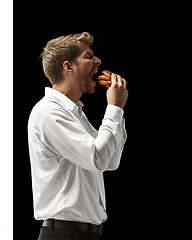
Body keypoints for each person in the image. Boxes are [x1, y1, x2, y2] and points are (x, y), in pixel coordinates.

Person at [27, 32, 128, 240]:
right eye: (89, 56)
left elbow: (111, 161)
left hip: (85, 234)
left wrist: (119, 112)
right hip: (64, 234)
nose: (98, 61)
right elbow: (98, 159)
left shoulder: (75, 113)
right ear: (68, 67)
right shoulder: (48, 112)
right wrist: (114, 109)